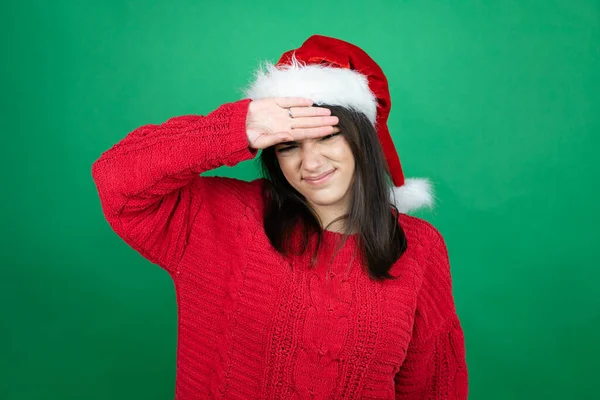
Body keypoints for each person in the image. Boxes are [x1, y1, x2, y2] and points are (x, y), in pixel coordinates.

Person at [92, 34, 468, 399]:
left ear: (362, 138)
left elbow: (433, 386)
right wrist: (240, 126)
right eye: (289, 145)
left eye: (327, 136)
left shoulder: (420, 247)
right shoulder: (219, 217)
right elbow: (115, 178)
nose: (312, 162)